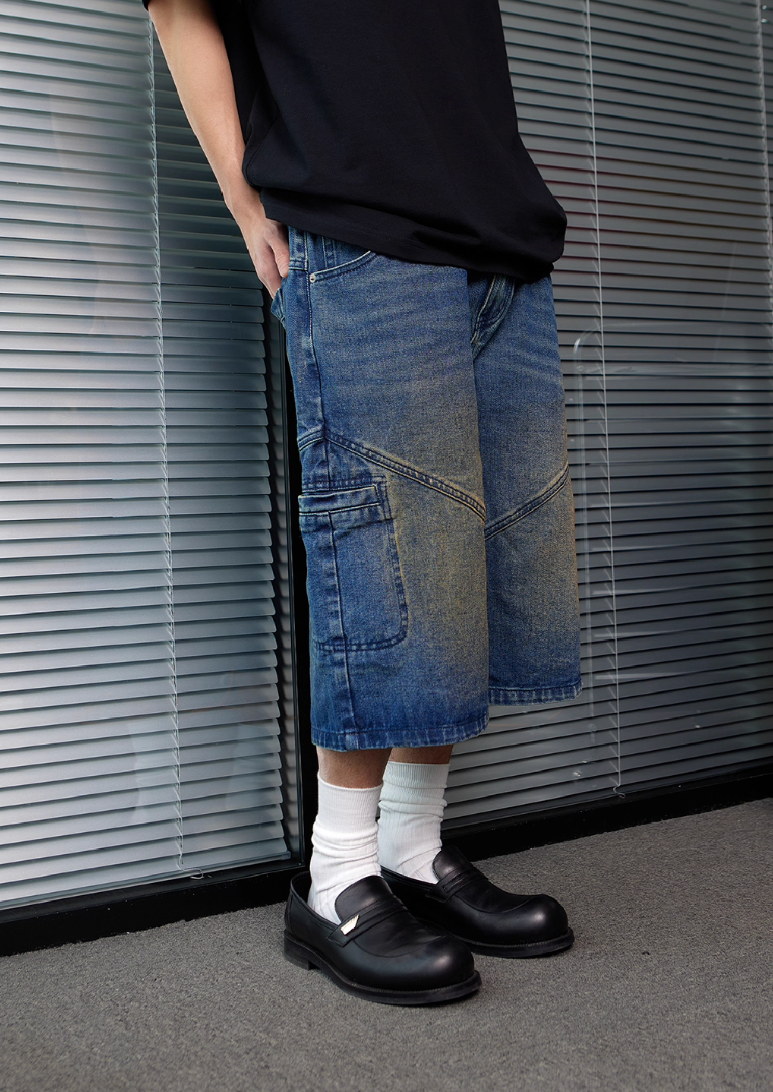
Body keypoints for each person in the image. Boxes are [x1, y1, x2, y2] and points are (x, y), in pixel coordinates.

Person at [145, 0, 582, 1006]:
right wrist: (246, 200)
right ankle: (337, 876)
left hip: (498, 226)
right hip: (356, 216)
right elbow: (177, 5)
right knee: (388, 549)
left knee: (465, 563)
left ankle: (410, 849)